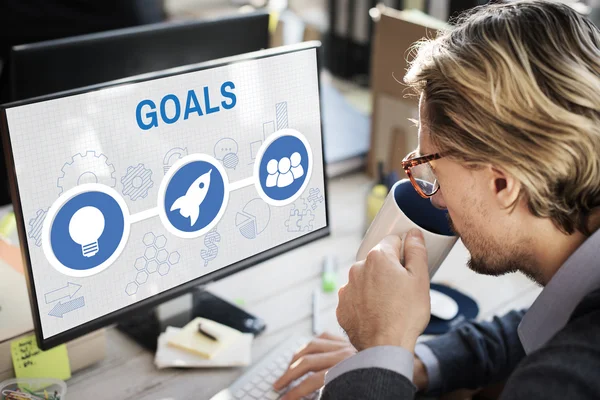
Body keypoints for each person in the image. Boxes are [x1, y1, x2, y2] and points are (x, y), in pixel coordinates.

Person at [273, 1, 600, 399]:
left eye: (432, 171)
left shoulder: (566, 382)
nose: (437, 199)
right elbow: (539, 327)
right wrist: (409, 362)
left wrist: (380, 347)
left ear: (503, 185)